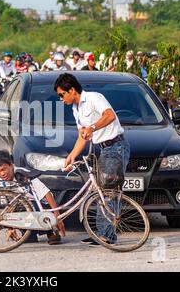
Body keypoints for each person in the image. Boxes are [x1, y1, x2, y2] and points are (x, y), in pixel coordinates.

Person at [54, 73, 130, 245]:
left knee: (108, 191)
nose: (61, 99)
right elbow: (83, 136)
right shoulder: (76, 109)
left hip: (116, 146)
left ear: (72, 90)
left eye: (62, 94)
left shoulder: (94, 98)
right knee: (100, 191)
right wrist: (72, 156)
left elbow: (110, 115)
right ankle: (101, 232)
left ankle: (107, 235)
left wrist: (93, 127)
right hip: (103, 150)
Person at [0, 150, 66, 245]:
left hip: (40, 204)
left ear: (11, 165)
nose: (2, 174)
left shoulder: (23, 174)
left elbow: (46, 193)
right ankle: (29, 234)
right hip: (23, 207)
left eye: (4, 169)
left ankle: (51, 231)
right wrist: (10, 227)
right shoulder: (2, 182)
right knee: (17, 209)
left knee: (39, 210)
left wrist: (57, 216)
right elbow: (8, 207)